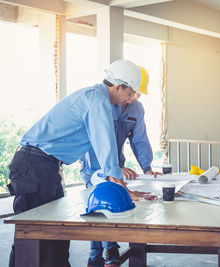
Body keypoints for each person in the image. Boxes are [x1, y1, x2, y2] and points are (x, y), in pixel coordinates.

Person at [6, 59, 155, 267]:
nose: (132, 99)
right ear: (118, 86)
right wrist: (126, 192)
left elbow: (104, 147)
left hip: (47, 165)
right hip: (33, 165)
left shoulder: (97, 98)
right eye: (130, 93)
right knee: (32, 236)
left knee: (56, 234)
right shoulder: (96, 99)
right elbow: (106, 146)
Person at [80, 65, 162, 267]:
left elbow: (140, 138)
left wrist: (147, 166)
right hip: (93, 164)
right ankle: (98, 253)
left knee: (115, 205)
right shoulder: (102, 103)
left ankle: (110, 250)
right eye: (132, 92)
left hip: (117, 164)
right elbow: (95, 139)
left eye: (138, 94)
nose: (134, 97)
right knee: (99, 207)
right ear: (122, 87)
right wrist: (111, 169)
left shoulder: (136, 109)